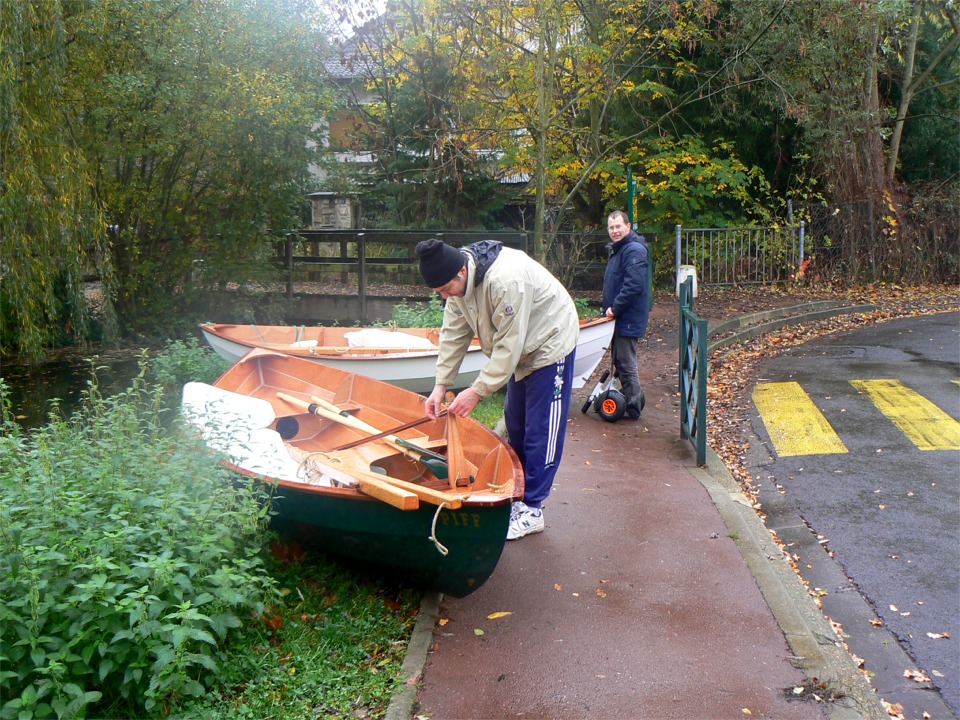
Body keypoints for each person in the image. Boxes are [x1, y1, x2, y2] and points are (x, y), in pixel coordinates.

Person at [415, 237, 579, 540]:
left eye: (444, 290)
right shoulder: (456, 286)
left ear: (461, 273)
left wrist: (476, 390)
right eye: (438, 292)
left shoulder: (506, 280)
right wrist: (441, 386)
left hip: (550, 341)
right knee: (516, 423)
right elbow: (453, 335)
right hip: (521, 349)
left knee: (541, 431)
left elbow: (508, 347)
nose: (443, 297)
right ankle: (518, 497)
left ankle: (533, 509)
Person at [602, 210, 650, 419]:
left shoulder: (633, 250)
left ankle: (633, 407)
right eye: (611, 228)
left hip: (627, 317)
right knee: (620, 360)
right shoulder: (620, 249)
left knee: (625, 361)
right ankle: (633, 396)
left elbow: (633, 285)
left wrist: (615, 308)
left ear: (628, 227)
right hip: (621, 317)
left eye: (618, 227)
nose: (615, 231)